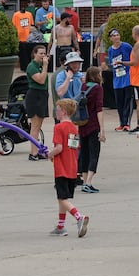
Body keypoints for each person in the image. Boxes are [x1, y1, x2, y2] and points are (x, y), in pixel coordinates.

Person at [48, 97, 90, 237]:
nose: (56, 112)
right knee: (63, 198)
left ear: (64, 112)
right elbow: (73, 147)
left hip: (61, 168)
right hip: (72, 167)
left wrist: (50, 154)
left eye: (58, 109)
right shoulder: (74, 128)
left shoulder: (58, 127)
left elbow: (59, 148)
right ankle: (60, 226)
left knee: (62, 198)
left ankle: (78, 217)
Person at [77, 66, 104, 193]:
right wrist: (102, 129)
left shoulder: (83, 86)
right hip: (93, 124)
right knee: (94, 153)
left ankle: (84, 180)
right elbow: (99, 109)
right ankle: (88, 182)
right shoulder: (98, 89)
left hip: (82, 123)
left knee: (84, 153)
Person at [103, 27, 134, 130]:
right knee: (119, 102)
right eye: (114, 35)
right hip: (117, 79)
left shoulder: (126, 46)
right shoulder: (110, 50)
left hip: (128, 77)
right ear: (110, 38)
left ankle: (127, 123)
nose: (116, 37)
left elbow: (133, 57)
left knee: (127, 101)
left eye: (117, 35)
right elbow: (111, 63)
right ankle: (122, 122)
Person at [24, 41, 49, 158]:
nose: (43, 56)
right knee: (34, 125)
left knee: (39, 126)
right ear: (34, 54)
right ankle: (33, 152)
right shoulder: (32, 66)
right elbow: (41, 80)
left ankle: (37, 150)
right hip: (35, 95)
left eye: (44, 53)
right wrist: (45, 66)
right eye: (40, 53)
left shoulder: (40, 66)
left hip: (43, 95)